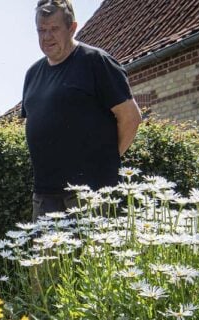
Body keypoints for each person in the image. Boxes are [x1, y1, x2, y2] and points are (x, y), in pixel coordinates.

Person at [22, 0, 142, 220]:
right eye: (41, 30)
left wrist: (105, 164)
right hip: (45, 194)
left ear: (72, 28)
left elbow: (130, 117)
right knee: (48, 256)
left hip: (90, 193)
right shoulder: (32, 74)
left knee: (92, 254)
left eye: (54, 29)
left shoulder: (96, 62)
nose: (46, 37)